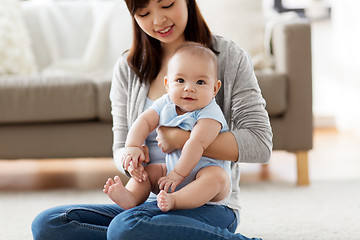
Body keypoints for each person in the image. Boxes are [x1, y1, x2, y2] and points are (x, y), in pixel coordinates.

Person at [32, 0, 272, 239]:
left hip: (209, 206)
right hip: (148, 202)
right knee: (49, 224)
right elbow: (121, 145)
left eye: (167, 5)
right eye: (144, 12)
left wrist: (180, 139)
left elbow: (260, 145)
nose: (158, 21)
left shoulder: (229, 57)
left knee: (125, 228)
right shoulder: (128, 68)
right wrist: (131, 160)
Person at [103, 42, 231, 212]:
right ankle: (131, 196)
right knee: (148, 172)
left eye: (200, 82)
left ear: (215, 88)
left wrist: (178, 174)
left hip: (203, 179)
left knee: (217, 177)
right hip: (170, 172)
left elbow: (196, 143)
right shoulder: (166, 102)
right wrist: (133, 147)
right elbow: (144, 121)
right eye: (180, 80)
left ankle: (175, 201)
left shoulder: (210, 112)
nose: (189, 88)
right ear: (167, 84)